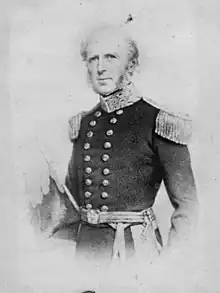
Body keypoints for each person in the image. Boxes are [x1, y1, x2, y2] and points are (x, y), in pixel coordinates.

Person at [49, 24, 199, 273]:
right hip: (86, 254)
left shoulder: (158, 122)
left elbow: (188, 207)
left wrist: (175, 264)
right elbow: (72, 204)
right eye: (93, 59)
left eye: (111, 57)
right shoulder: (84, 124)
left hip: (135, 254)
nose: (100, 68)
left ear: (131, 66)